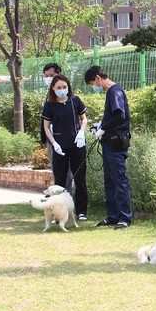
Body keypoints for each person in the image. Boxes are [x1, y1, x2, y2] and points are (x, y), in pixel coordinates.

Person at [84, 65, 132, 230]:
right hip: (109, 142)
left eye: (93, 84)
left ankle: (124, 217)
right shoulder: (111, 92)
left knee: (119, 180)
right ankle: (113, 216)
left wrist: (104, 128)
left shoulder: (114, 91)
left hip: (116, 142)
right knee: (110, 180)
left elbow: (120, 115)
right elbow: (113, 116)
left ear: (98, 78)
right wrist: (101, 125)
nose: (94, 87)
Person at [41, 74, 89, 220]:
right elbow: (46, 127)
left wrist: (81, 132)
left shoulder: (75, 101)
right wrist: (54, 143)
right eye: (59, 87)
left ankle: (81, 211)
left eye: (64, 87)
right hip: (60, 147)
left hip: (76, 145)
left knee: (80, 179)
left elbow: (83, 119)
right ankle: (59, 212)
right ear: (53, 89)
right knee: (60, 180)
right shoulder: (50, 105)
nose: (62, 90)